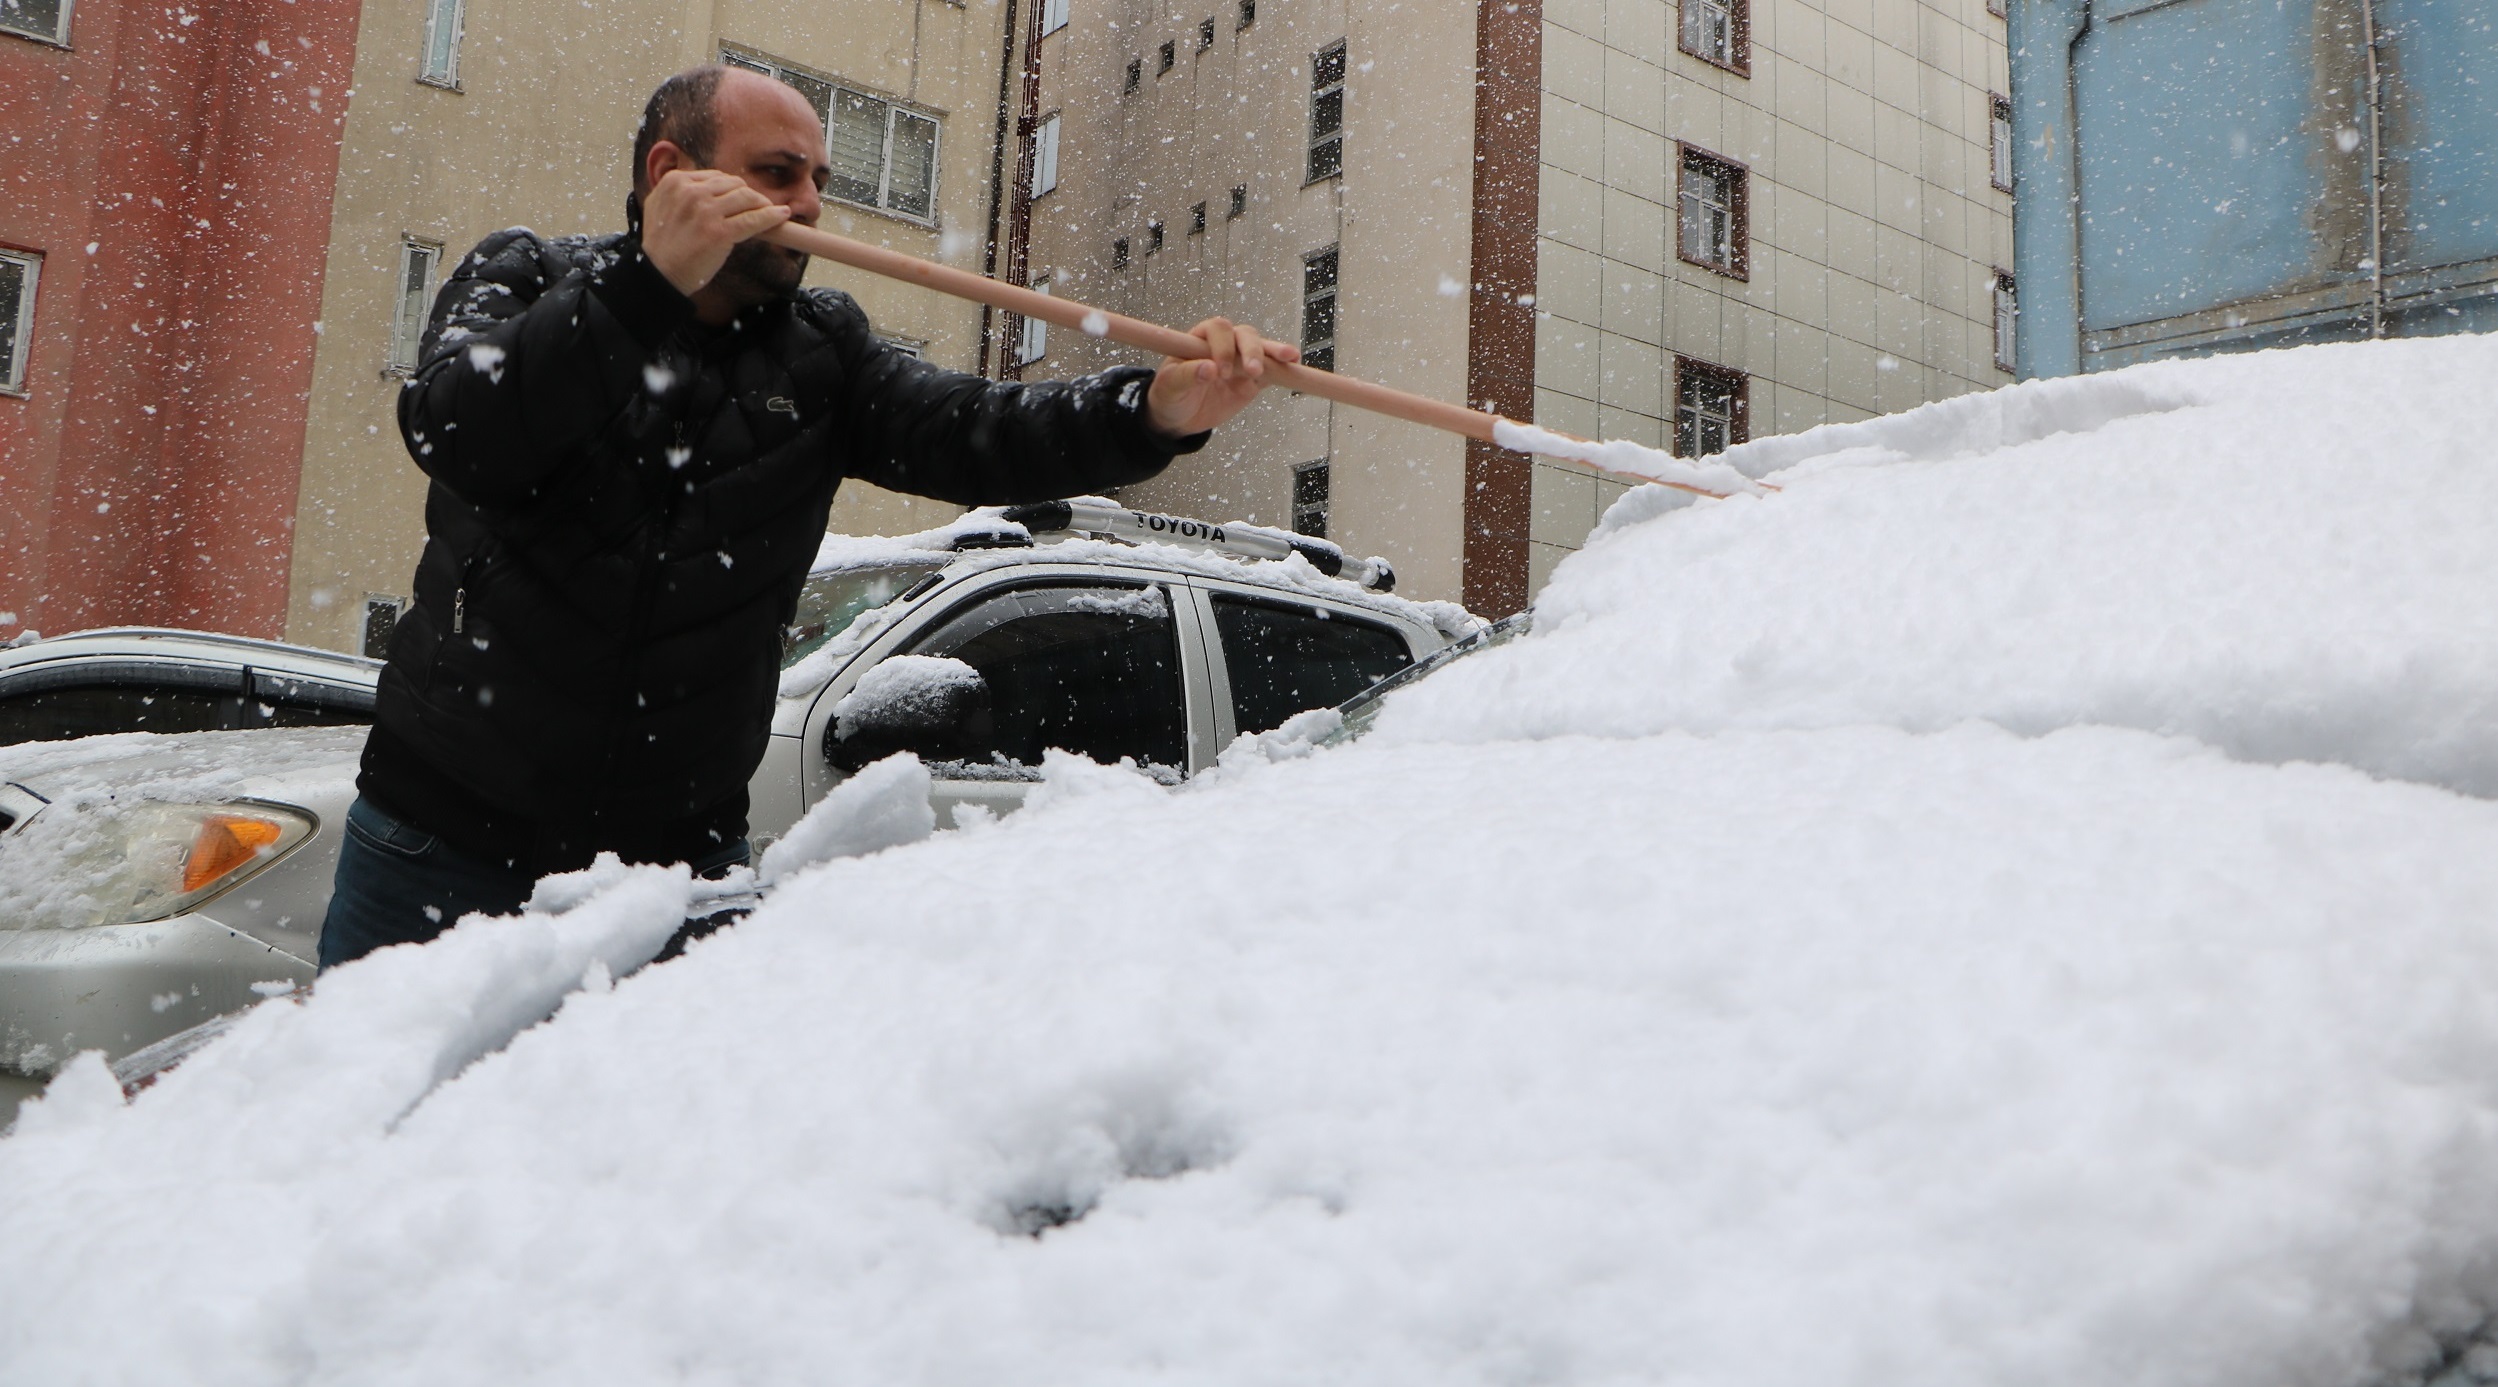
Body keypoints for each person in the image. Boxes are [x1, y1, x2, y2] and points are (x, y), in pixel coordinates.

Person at [317, 64, 1293, 968]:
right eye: (776, 173)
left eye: (816, 177)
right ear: (671, 172)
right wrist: (641, 292)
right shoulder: (528, 276)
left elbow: (981, 431)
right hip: (440, 841)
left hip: (678, 872)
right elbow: (458, 431)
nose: (809, 205)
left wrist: (1156, 410)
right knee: (371, 1138)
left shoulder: (824, 356)